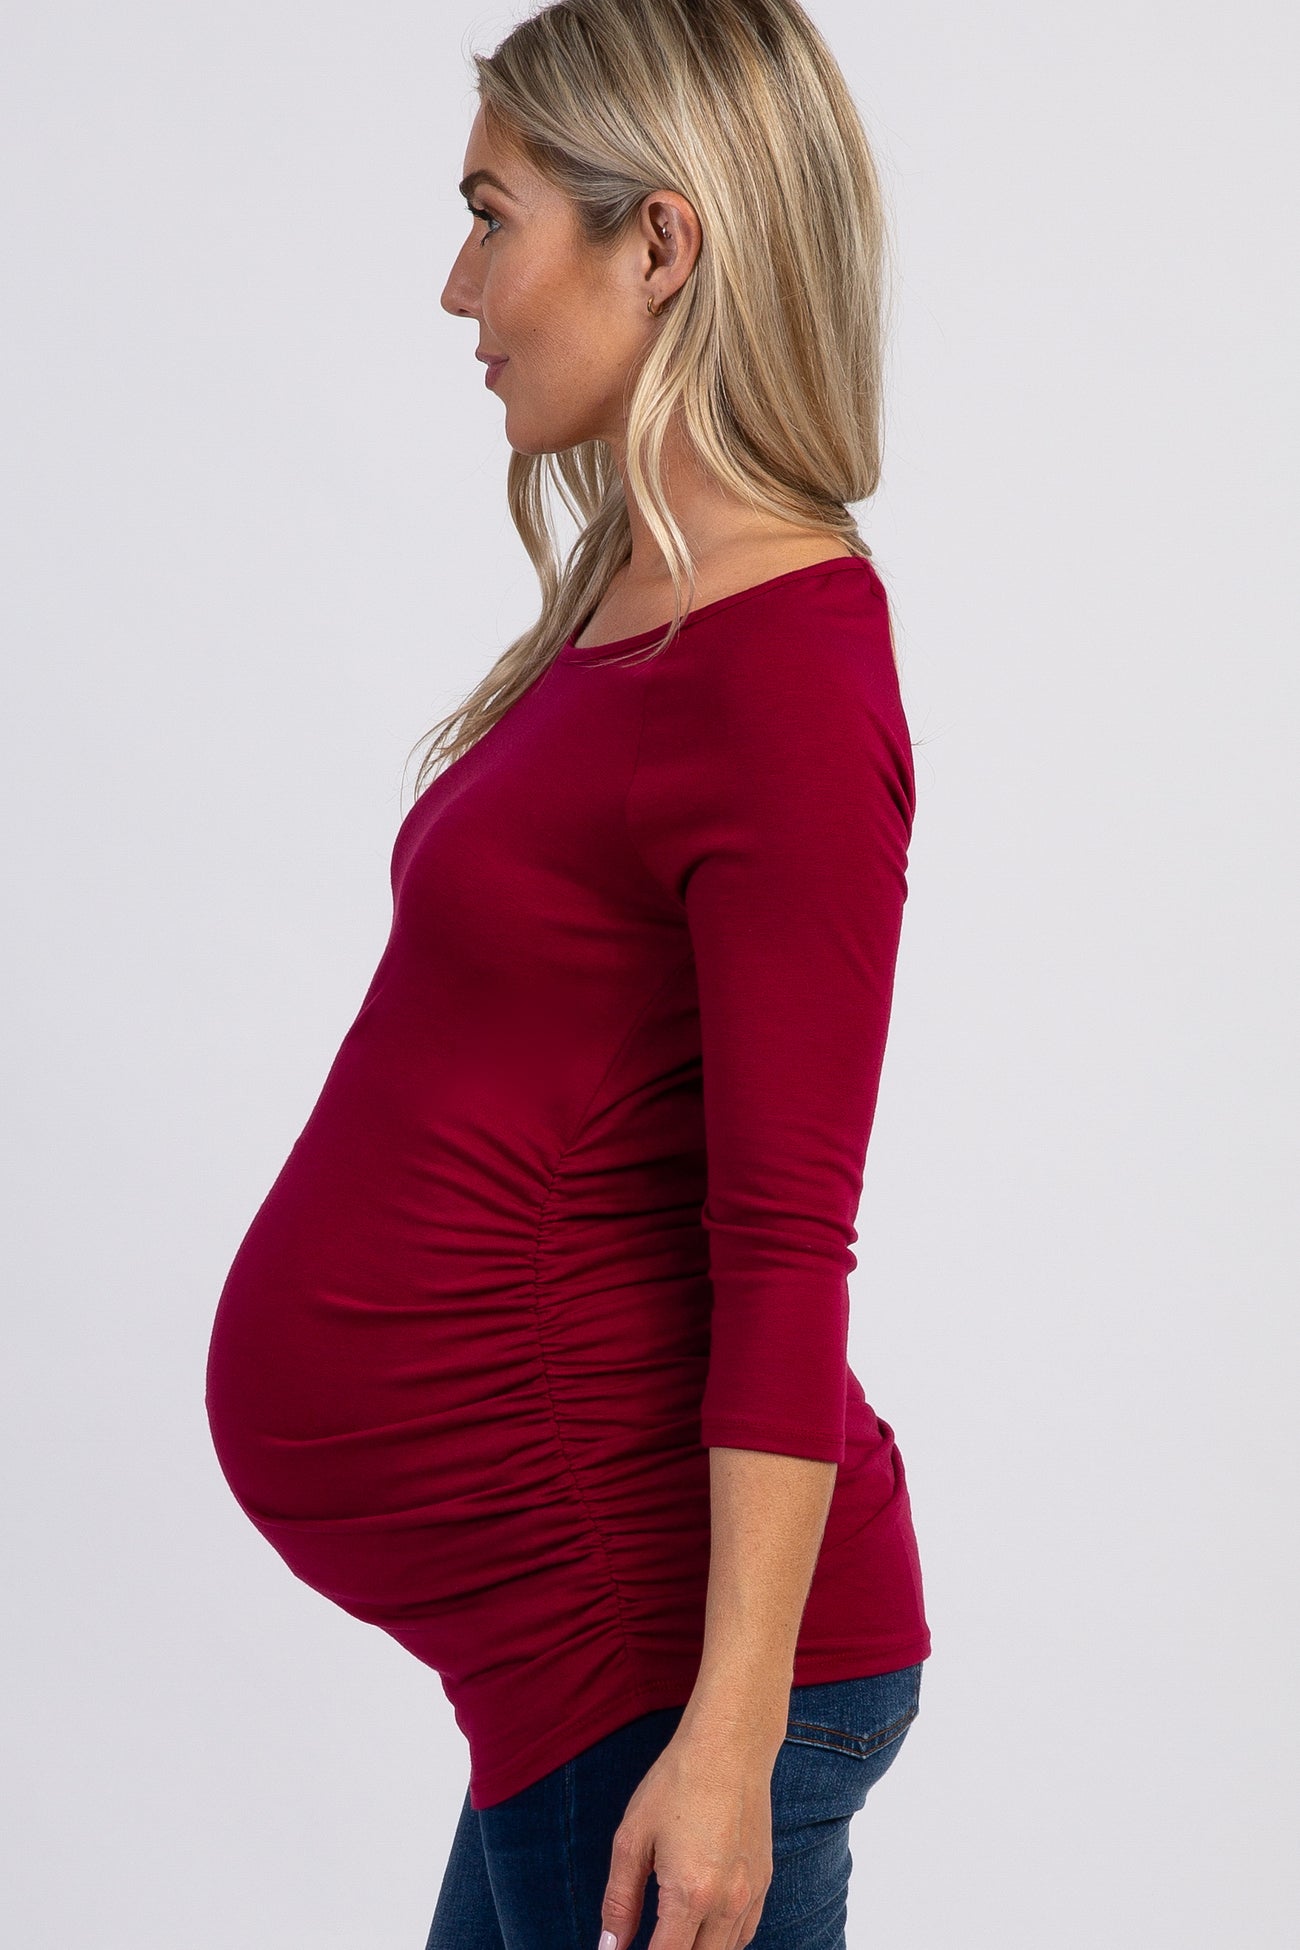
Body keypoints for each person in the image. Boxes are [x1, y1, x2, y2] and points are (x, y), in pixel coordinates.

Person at [203, 2, 932, 1945]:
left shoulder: (786, 679)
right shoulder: (642, 603)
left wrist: (731, 1733)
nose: (458, 287)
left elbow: (785, 1243)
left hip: (667, 1673)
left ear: (659, 242)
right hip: (581, 1654)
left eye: (490, 215)